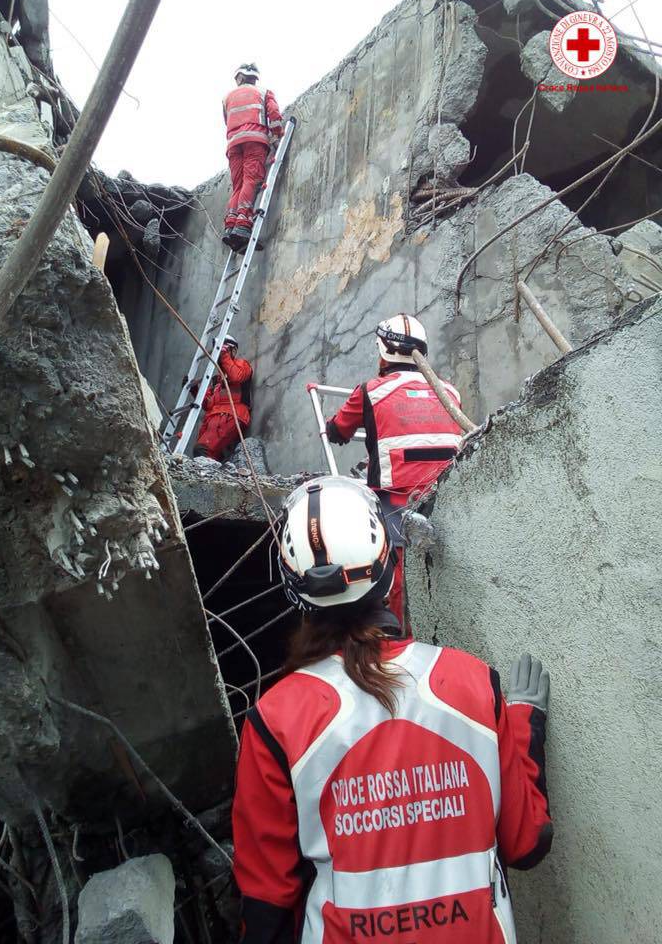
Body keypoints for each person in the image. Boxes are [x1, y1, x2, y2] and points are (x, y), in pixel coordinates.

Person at [232, 476, 552, 944]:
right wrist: (524, 723)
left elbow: (266, 911)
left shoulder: (276, 721)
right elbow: (527, 843)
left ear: (294, 590)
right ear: (389, 567)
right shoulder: (471, 683)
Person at [325, 314, 463, 626]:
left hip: (398, 500)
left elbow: (338, 431)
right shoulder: (450, 392)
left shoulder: (370, 391)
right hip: (451, 496)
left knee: (397, 579)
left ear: (383, 350)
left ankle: (400, 642)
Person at [223, 63, 284, 252]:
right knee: (251, 180)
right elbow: (274, 115)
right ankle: (242, 225)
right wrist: (277, 134)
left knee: (238, 185)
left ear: (240, 77)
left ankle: (231, 225)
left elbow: (227, 121)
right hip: (255, 140)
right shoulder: (264, 92)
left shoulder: (227, 98)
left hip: (233, 144)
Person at [189, 336, 253, 460]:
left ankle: (208, 473)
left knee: (203, 450)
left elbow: (236, 377)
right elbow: (208, 404)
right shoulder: (216, 381)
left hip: (230, 415)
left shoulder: (242, 365)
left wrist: (224, 355)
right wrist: (195, 390)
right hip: (213, 418)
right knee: (203, 452)